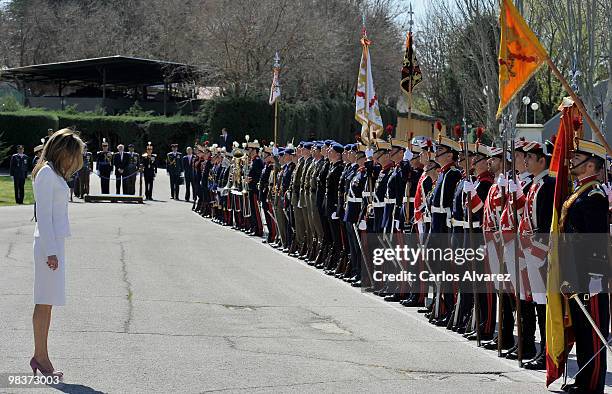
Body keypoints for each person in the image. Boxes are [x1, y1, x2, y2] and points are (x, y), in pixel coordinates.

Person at [30, 128, 85, 379]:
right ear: (63, 152)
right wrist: (51, 252)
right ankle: (41, 357)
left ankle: (40, 355)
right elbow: (43, 216)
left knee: (47, 302)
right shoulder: (46, 174)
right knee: (44, 301)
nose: (75, 163)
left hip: (53, 244)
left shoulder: (53, 174)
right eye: (73, 156)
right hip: (47, 245)